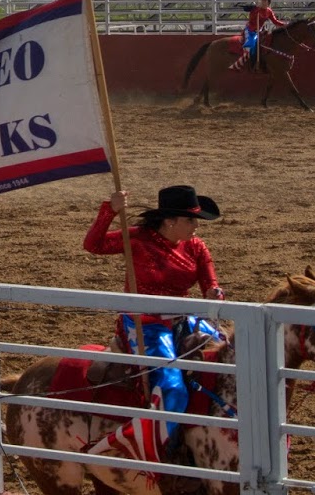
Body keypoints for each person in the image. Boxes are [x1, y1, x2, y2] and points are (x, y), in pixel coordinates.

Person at [81, 186, 225, 474]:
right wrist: (110, 210)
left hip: (182, 317)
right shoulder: (137, 239)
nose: (196, 226)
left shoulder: (196, 246)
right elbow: (93, 245)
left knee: (227, 354)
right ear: (171, 221)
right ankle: (165, 453)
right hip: (144, 322)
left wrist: (215, 293)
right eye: (191, 220)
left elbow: (210, 283)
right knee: (172, 386)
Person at [241, 0, 285, 70]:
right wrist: (256, 10)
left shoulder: (269, 11)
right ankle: (251, 64)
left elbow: (275, 21)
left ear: (269, 2)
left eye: (266, 1)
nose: (264, 2)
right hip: (251, 30)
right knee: (252, 46)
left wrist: (285, 24)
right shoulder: (256, 9)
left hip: (260, 31)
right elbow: (251, 19)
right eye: (262, 0)